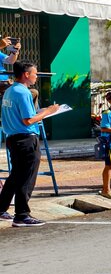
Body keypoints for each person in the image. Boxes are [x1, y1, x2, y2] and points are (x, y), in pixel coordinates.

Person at [0, 61, 60, 226]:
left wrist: (41, 111)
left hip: (13, 138)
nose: (36, 76)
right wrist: (49, 111)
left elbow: (25, 115)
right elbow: (28, 120)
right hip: (26, 139)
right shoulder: (23, 92)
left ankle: (1, 208)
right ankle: (22, 215)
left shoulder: (10, 91)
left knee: (16, 176)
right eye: (34, 73)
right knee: (27, 177)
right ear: (26, 74)